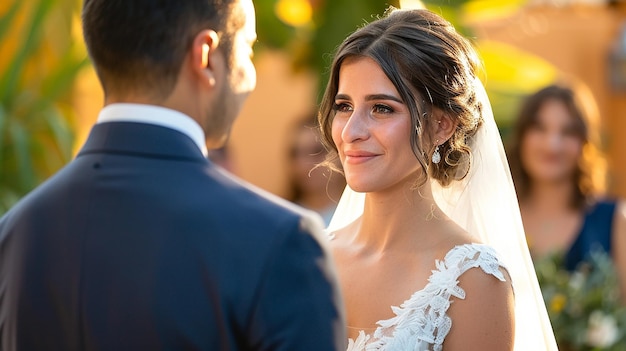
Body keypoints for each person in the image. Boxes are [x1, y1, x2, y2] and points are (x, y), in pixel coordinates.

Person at [0, 0, 346, 350]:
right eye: (248, 48)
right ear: (206, 56)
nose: (249, 75)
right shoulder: (281, 241)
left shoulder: (14, 232)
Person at [317, 7, 558, 350]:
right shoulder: (312, 258)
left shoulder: (473, 282)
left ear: (441, 125)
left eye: (382, 108)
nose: (351, 131)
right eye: (344, 106)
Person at [507, 84, 626, 300]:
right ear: (522, 136)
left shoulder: (616, 220)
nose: (552, 145)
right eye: (539, 128)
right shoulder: (498, 215)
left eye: (568, 132)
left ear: (585, 142)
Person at [286, 115, 346, 225]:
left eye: (317, 151)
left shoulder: (362, 215)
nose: (303, 164)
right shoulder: (284, 219)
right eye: (295, 154)